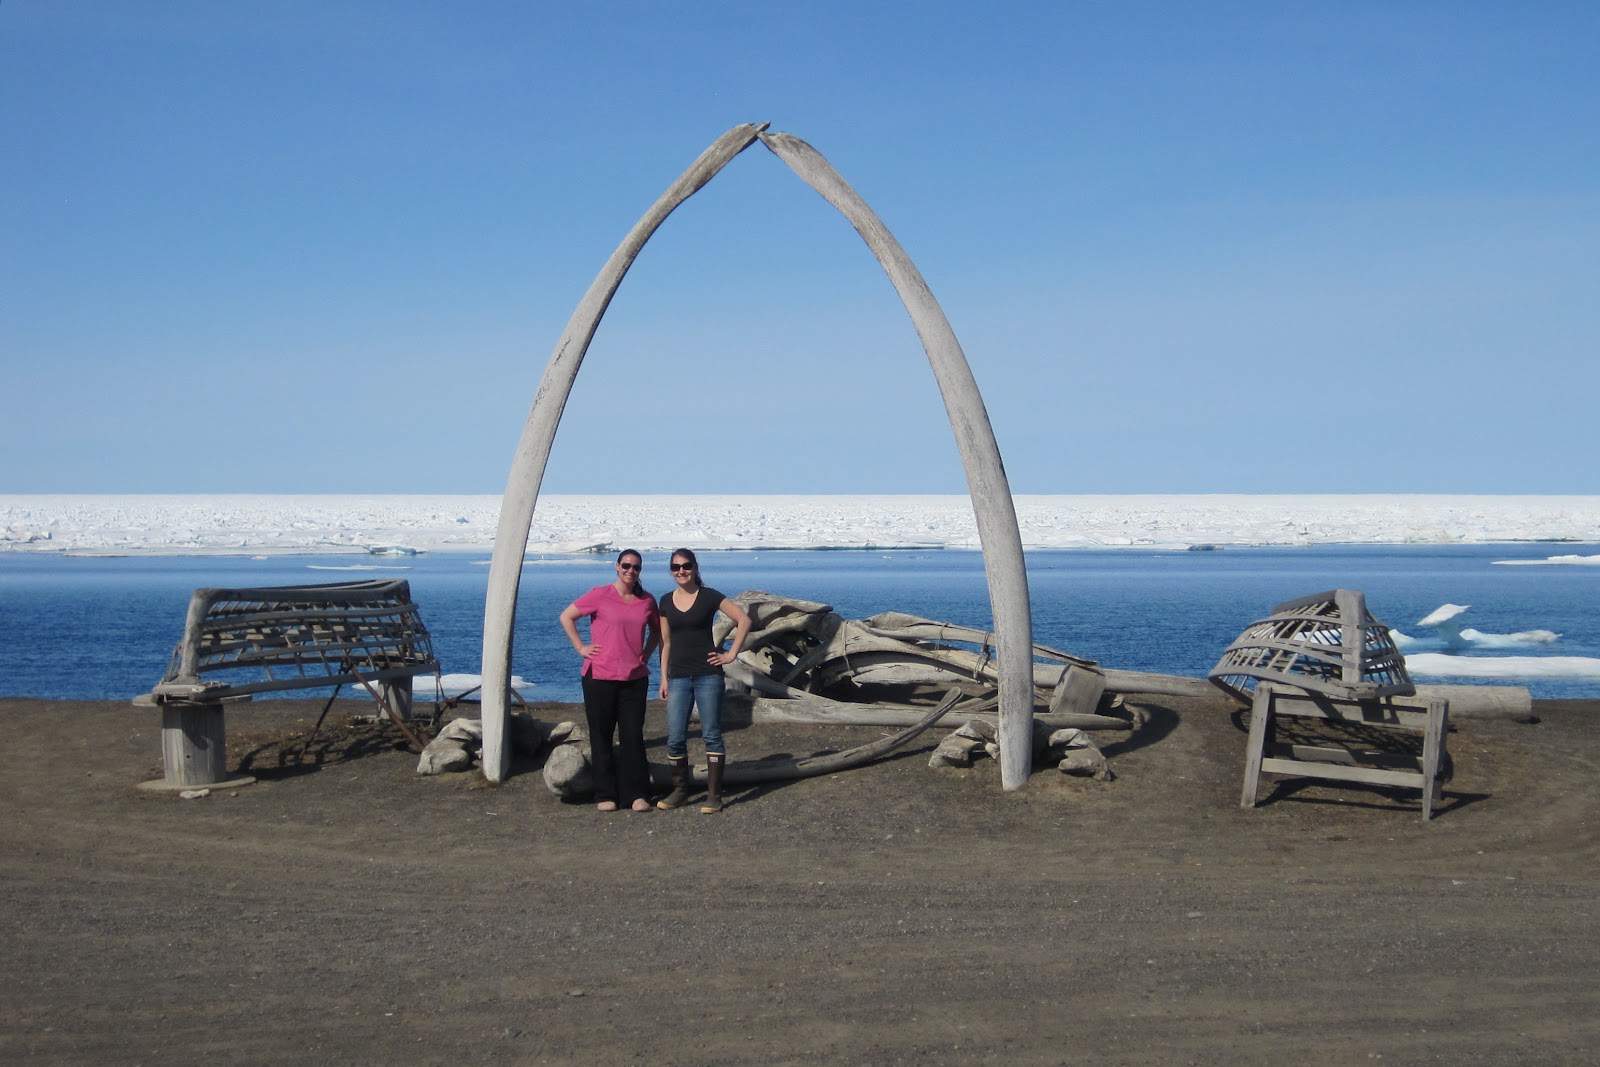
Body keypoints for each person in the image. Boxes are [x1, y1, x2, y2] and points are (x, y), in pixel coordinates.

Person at [559, 549, 661, 813]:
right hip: (599, 676)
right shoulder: (600, 594)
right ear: (617, 567)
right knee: (601, 735)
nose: (630, 570)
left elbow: (658, 632)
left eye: (636, 567)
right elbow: (566, 616)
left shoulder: (646, 600)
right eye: (626, 565)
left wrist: (646, 654)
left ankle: (637, 795)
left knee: (632, 736)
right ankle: (605, 793)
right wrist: (581, 648)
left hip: (634, 678)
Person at [655, 548, 752, 813]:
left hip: (708, 675)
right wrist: (663, 678)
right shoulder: (664, 601)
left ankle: (713, 795)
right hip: (677, 677)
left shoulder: (709, 596)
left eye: (686, 566)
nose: (681, 572)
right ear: (671, 570)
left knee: (711, 734)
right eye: (676, 567)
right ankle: (680, 791)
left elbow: (743, 620)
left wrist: (731, 654)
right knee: (675, 736)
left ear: (695, 568)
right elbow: (665, 643)